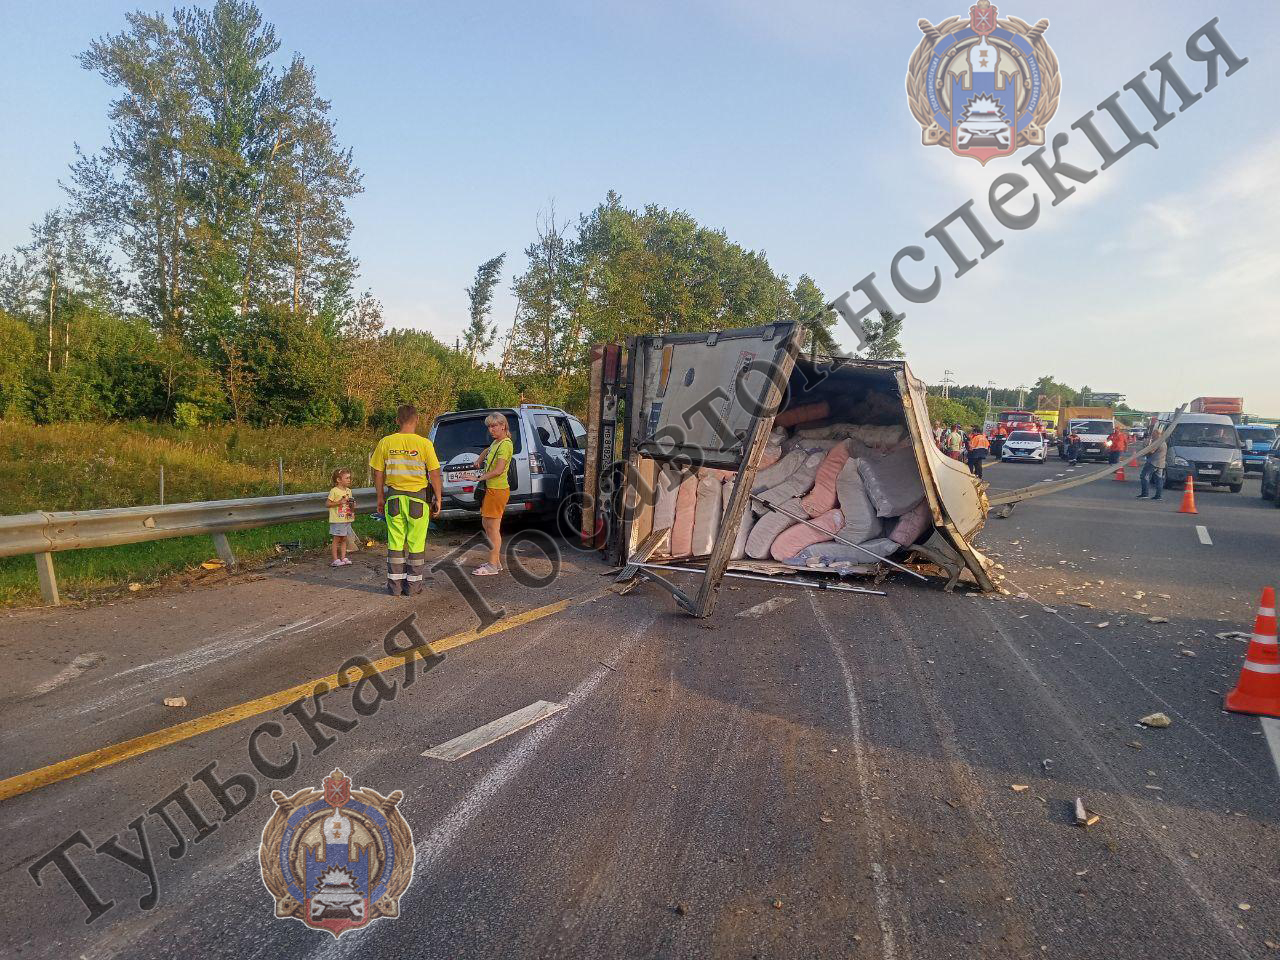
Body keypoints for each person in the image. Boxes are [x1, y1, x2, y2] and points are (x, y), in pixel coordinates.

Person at [369, 404, 442, 596]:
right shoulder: (424, 444)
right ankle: (413, 587)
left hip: (393, 499)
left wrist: (380, 498)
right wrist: (439, 498)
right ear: (417, 420)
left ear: (396, 421)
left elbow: (378, 472)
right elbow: (434, 473)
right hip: (418, 501)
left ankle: (395, 587)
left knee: (395, 543)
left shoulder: (386, 442)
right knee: (416, 545)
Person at [472, 412, 514, 576]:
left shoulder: (505, 445)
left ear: (503, 426)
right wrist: (480, 459)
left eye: (494, 426)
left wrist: (478, 477)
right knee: (487, 525)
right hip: (492, 489)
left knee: (493, 528)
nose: (491, 429)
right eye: (489, 426)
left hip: (497, 490)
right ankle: (495, 561)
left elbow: (498, 470)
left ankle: (492, 565)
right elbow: (488, 449)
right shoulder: (497, 443)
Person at [326, 468, 356, 567]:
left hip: (346, 518)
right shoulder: (334, 491)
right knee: (337, 539)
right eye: (346, 478)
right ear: (339, 480)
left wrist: (352, 509)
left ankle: (343, 557)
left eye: (349, 478)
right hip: (337, 519)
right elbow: (328, 504)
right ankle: (335, 559)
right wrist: (339, 502)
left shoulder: (349, 491)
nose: (349, 480)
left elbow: (350, 503)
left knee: (344, 538)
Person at [1138, 426, 1167, 501]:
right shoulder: (1164, 442)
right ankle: (1158, 496)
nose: (1152, 436)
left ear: (1157, 434)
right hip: (1161, 464)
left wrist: (1145, 449)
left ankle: (1145, 494)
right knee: (1159, 479)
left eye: (1153, 434)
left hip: (1153, 462)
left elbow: (1151, 451)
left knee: (1144, 476)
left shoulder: (1157, 442)